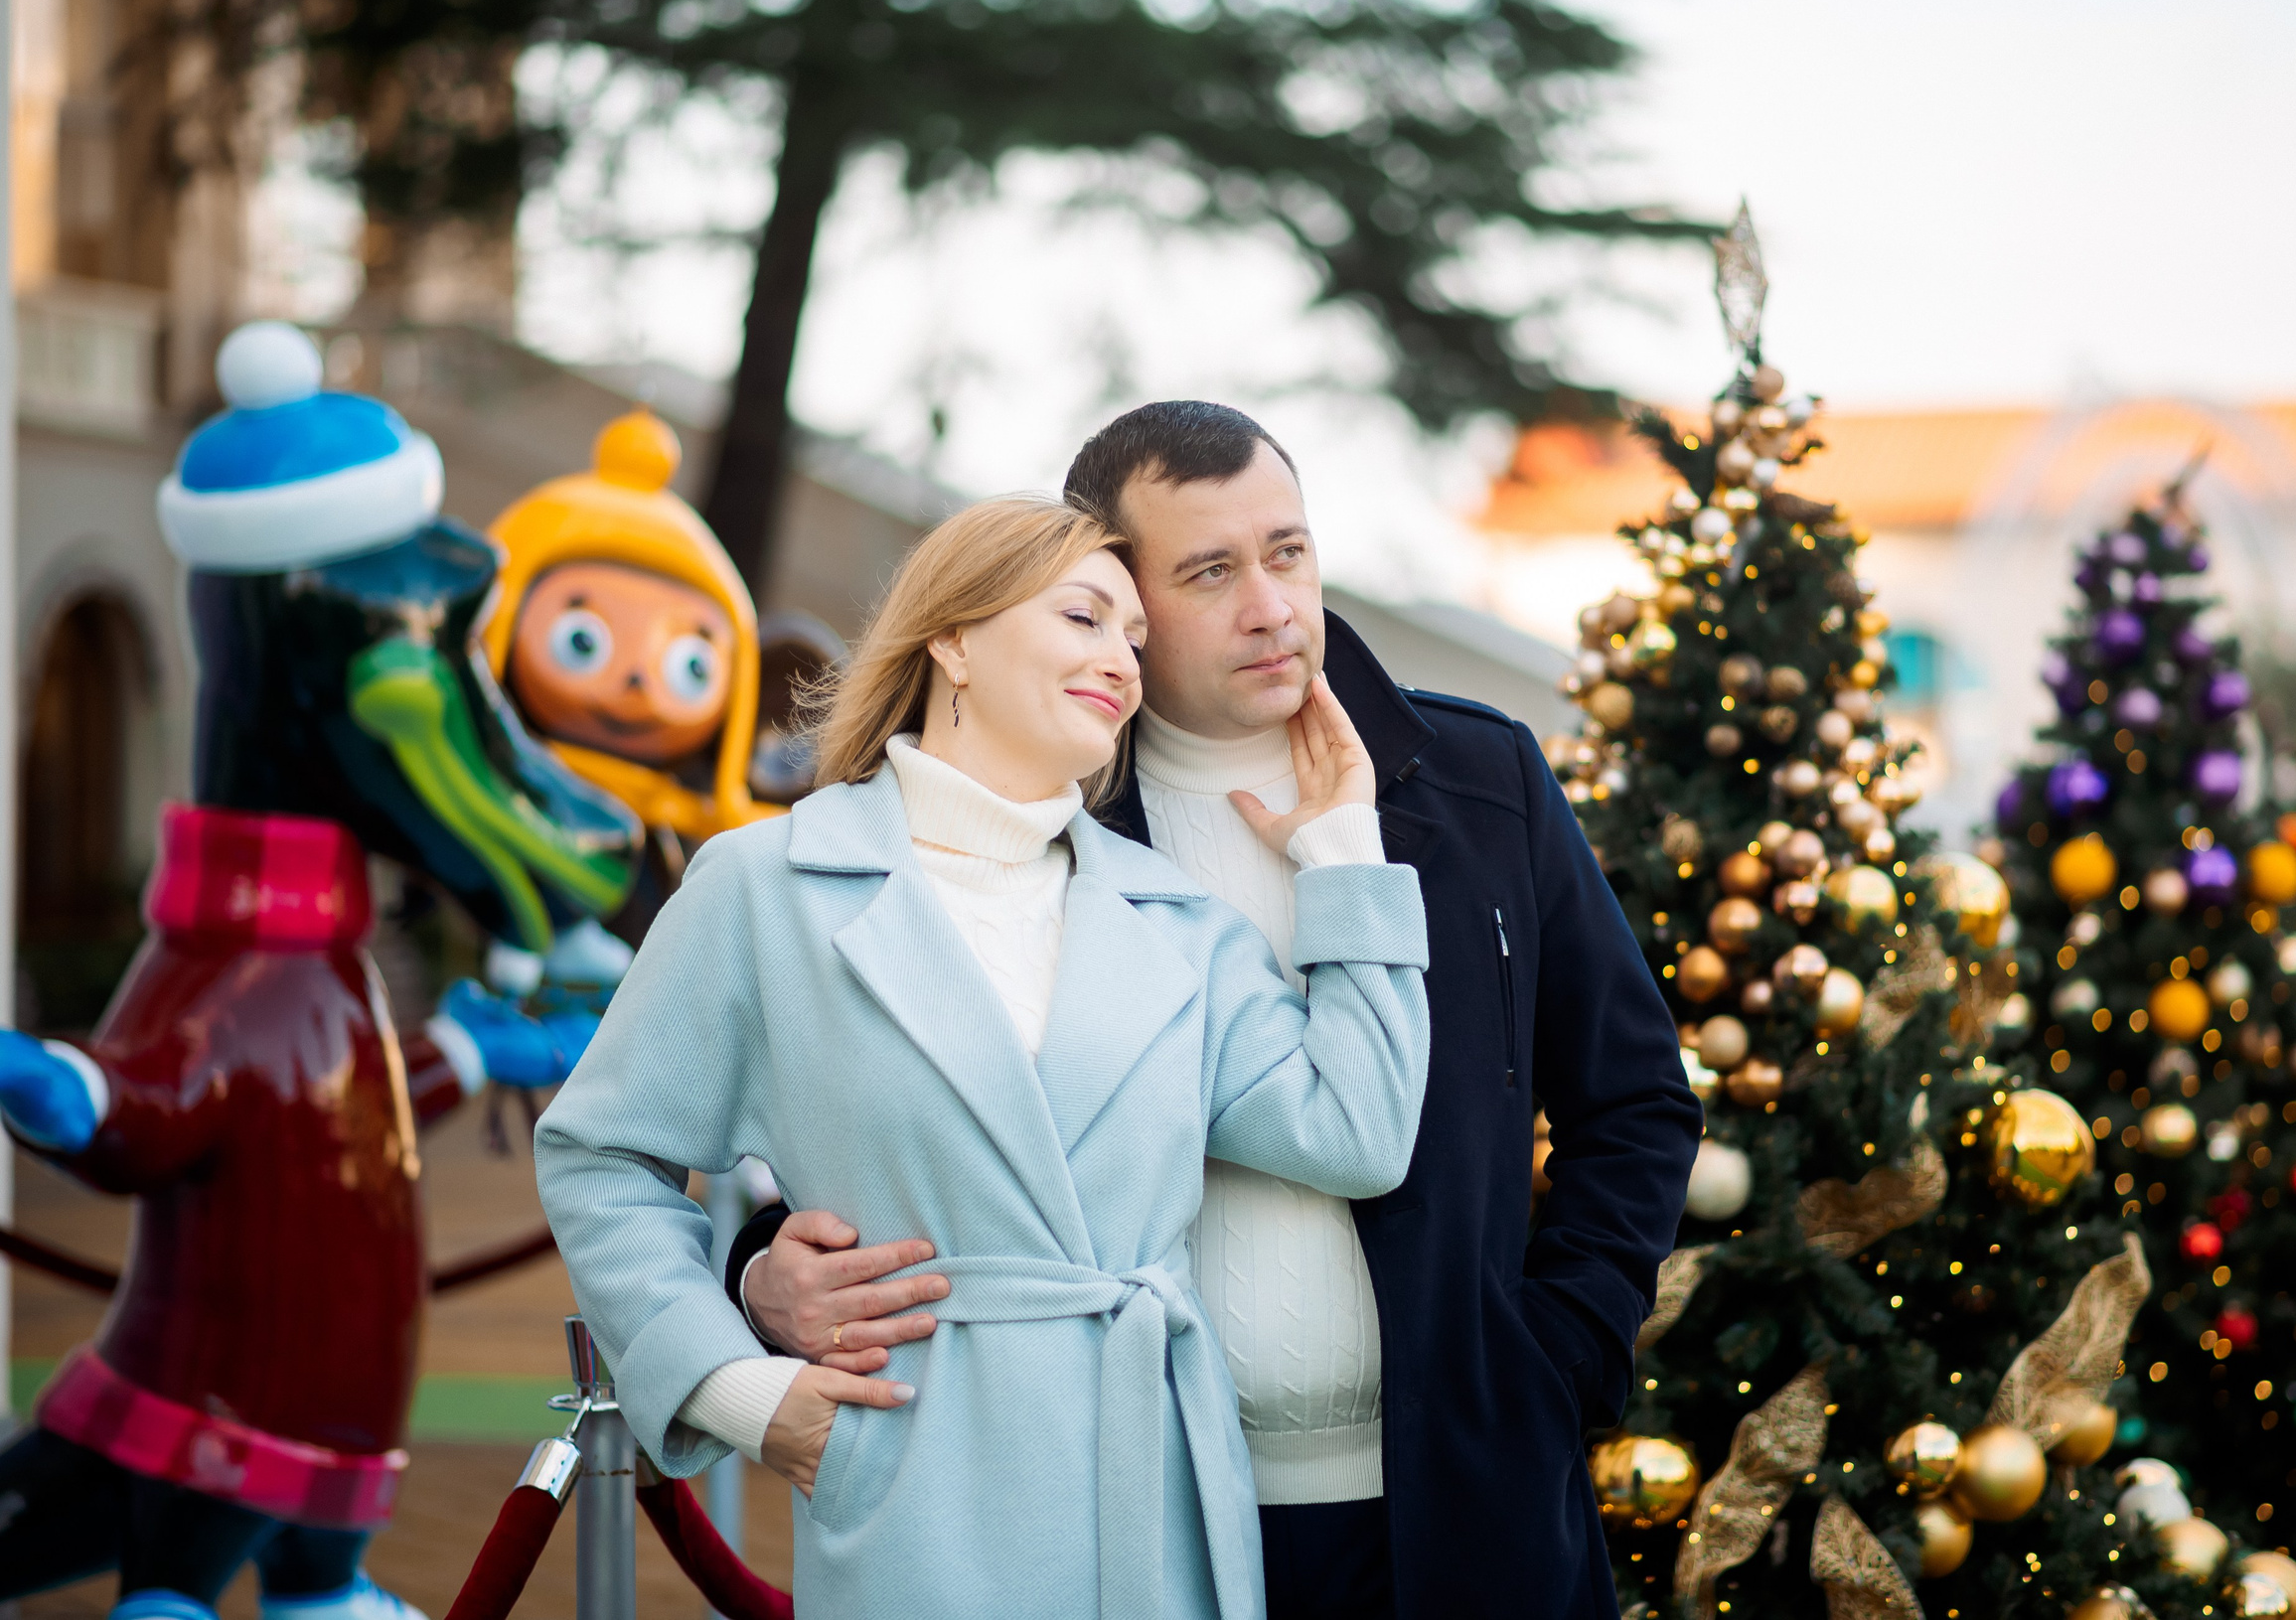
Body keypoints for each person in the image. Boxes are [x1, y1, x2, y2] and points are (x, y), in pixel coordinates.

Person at [730, 403, 1707, 1618]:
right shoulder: (1033, 815)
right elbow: (888, 1110)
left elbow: (1635, 1101)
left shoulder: (1479, 779)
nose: (1271, 607)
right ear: (1122, 600)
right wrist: (759, 1266)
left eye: (1287, 552)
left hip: (1466, 1502)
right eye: (1209, 571)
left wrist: (1559, 1353)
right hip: (1132, 1508)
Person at [535, 496, 1433, 1620]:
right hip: (919, 1483)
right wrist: (738, 1387)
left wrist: (1343, 854)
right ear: (953, 638)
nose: (1122, 661)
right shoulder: (766, 886)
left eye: (1134, 639)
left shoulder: (1178, 920)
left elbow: (1357, 1130)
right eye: (1084, 617)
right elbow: (602, 1156)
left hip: (1154, 1493)